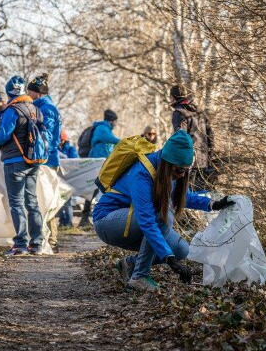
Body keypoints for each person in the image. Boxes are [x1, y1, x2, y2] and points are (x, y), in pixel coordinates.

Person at [92, 130, 235, 291]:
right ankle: (139, 277)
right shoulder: (142, 174)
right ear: (169, 163)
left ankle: (130, 264)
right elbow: (147, 220)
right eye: (179, 170)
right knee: (163, 216)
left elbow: (183, 196)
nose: (181, 175)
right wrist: (169, 259)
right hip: (107, 221)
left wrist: (213, 204)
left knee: (181, 249)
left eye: (185, 171)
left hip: (131, 221)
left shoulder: (166, 170)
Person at [0, 75, 44, 256]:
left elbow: (3, 135)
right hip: (33, 161)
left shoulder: (12, 111)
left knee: (17, 203)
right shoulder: (35, 109)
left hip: (14, 163)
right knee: (32, 202)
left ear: (9, 91)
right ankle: (37, 244)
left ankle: (20, 244)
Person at [27, 73, 62, 249]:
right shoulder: (44, 105)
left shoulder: (46, 108)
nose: (28, 94)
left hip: (46, 160)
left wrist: (38, 156)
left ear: (37, 93)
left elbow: (45, 136)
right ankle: (49, 237)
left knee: (47, 199)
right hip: (47, 159)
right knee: (45, 198)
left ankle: (52, 239)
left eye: (30, 91)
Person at [170, 85, 215, 192]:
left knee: (187, 197)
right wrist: (210, 157)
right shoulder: (199, 112)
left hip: (188, 162)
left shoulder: (179, 113)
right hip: (204, 162)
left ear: (173, 98)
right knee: (202, 196)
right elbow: (211, 136)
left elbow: (181, 137)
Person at [81, 109, 121, 227]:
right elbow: (113, 140)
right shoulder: (102, 128)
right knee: (96, 189)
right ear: (112, 121)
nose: (115, 124)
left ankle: (86, 216)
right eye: (115, 122)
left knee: (96, 189)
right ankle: (86, 217)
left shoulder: (104, 128)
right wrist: (127, 142)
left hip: (100, 163)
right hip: (98, 164)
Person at [57, 130, 78, 227]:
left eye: (61, 140)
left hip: (68, 179)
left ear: (64, 140)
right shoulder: (56, 149)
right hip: (58, 179)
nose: (59, 141)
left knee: (67, 202)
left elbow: (75, 162)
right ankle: (62, 221)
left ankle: (69, 222)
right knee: (59, 201)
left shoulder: (71, 149)